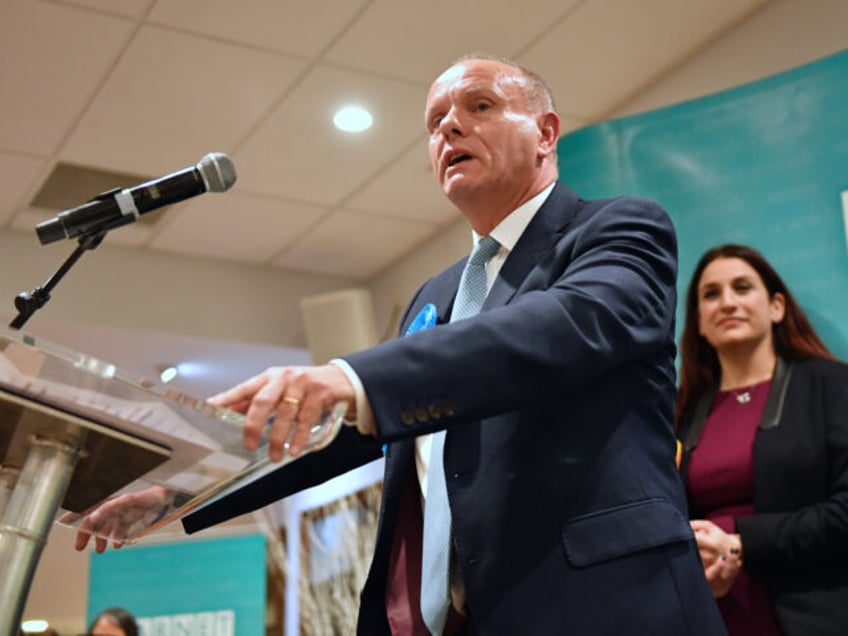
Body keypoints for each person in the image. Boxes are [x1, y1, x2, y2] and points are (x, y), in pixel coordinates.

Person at [84, 54, 724, 634]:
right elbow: (341, 431)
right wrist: (181, 486)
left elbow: (563, 325)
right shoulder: (434, 295)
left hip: (606, 605)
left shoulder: (616, 228)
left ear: (546, 134)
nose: (449, 128)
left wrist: (350, 375)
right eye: (435, 120)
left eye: (479, 106)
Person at [676, 244, 848, 635]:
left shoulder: (832, 386)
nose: (727, 303)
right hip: (711, 618)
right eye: (711, 294)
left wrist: (740, 544)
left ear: (776, 307)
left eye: (742, 287)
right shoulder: (677, 413)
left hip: (819, 614)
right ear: (699, 322)